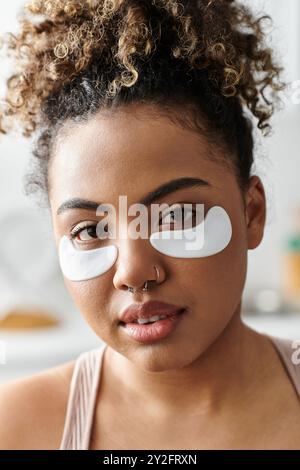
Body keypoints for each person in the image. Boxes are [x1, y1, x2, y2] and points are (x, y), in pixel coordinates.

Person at [0, 0, 299, 450]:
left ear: (251, 212)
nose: (133, 272)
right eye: (90, 230)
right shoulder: (15, 428)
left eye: (177, 217)